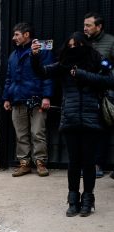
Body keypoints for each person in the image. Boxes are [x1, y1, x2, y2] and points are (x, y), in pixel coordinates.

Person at [31, 32, 114, 217]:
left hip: (92, 118)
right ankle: (73, 199)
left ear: (85, 45)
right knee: (74, 162)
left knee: (89, 163)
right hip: (70, 118)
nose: (73, 49)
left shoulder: (98, 60)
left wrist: (84, 75)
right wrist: (35, 57)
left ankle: (88, 199)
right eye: (70, 46)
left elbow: (110, 80)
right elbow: (42, 72)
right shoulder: (64, 64)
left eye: (77, 45)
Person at [2, 22, 53, 177]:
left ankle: (40, 163)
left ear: (26, 35)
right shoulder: (13, 55)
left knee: (37, 133)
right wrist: (7, 98)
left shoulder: (42, 50)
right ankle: (24, 164)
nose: (13, 38)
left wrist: (46, 96)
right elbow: (9, 78)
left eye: (17, 34)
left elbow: (48, 75)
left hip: (36, 99)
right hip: (17, 100)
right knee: (21, 134)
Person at [83, 12, 114, 179]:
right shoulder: (82, 41)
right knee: (87, 130)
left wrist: (107, 72)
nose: (85, 28)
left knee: (102, 130)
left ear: (99, 26)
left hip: (104, 94)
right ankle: (87, 164)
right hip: (85, 93)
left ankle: (98, 165)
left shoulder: (110, 42)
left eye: (88, 25)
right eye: (84, 25)